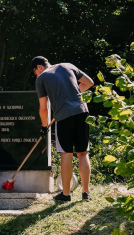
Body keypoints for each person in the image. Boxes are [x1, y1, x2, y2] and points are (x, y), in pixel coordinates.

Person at [31, 56, 94, 202]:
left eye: (35, 71)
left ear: (39, 67)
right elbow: (89, 83)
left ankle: (66, 195)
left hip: (63, 116)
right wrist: (73, 94)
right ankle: (86, 193)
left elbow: (44, 108)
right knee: (83, 153)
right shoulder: (68, 65)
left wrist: (43, 126)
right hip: (82, 112)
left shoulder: (41, 79)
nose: (36, 75)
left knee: (66, 154)